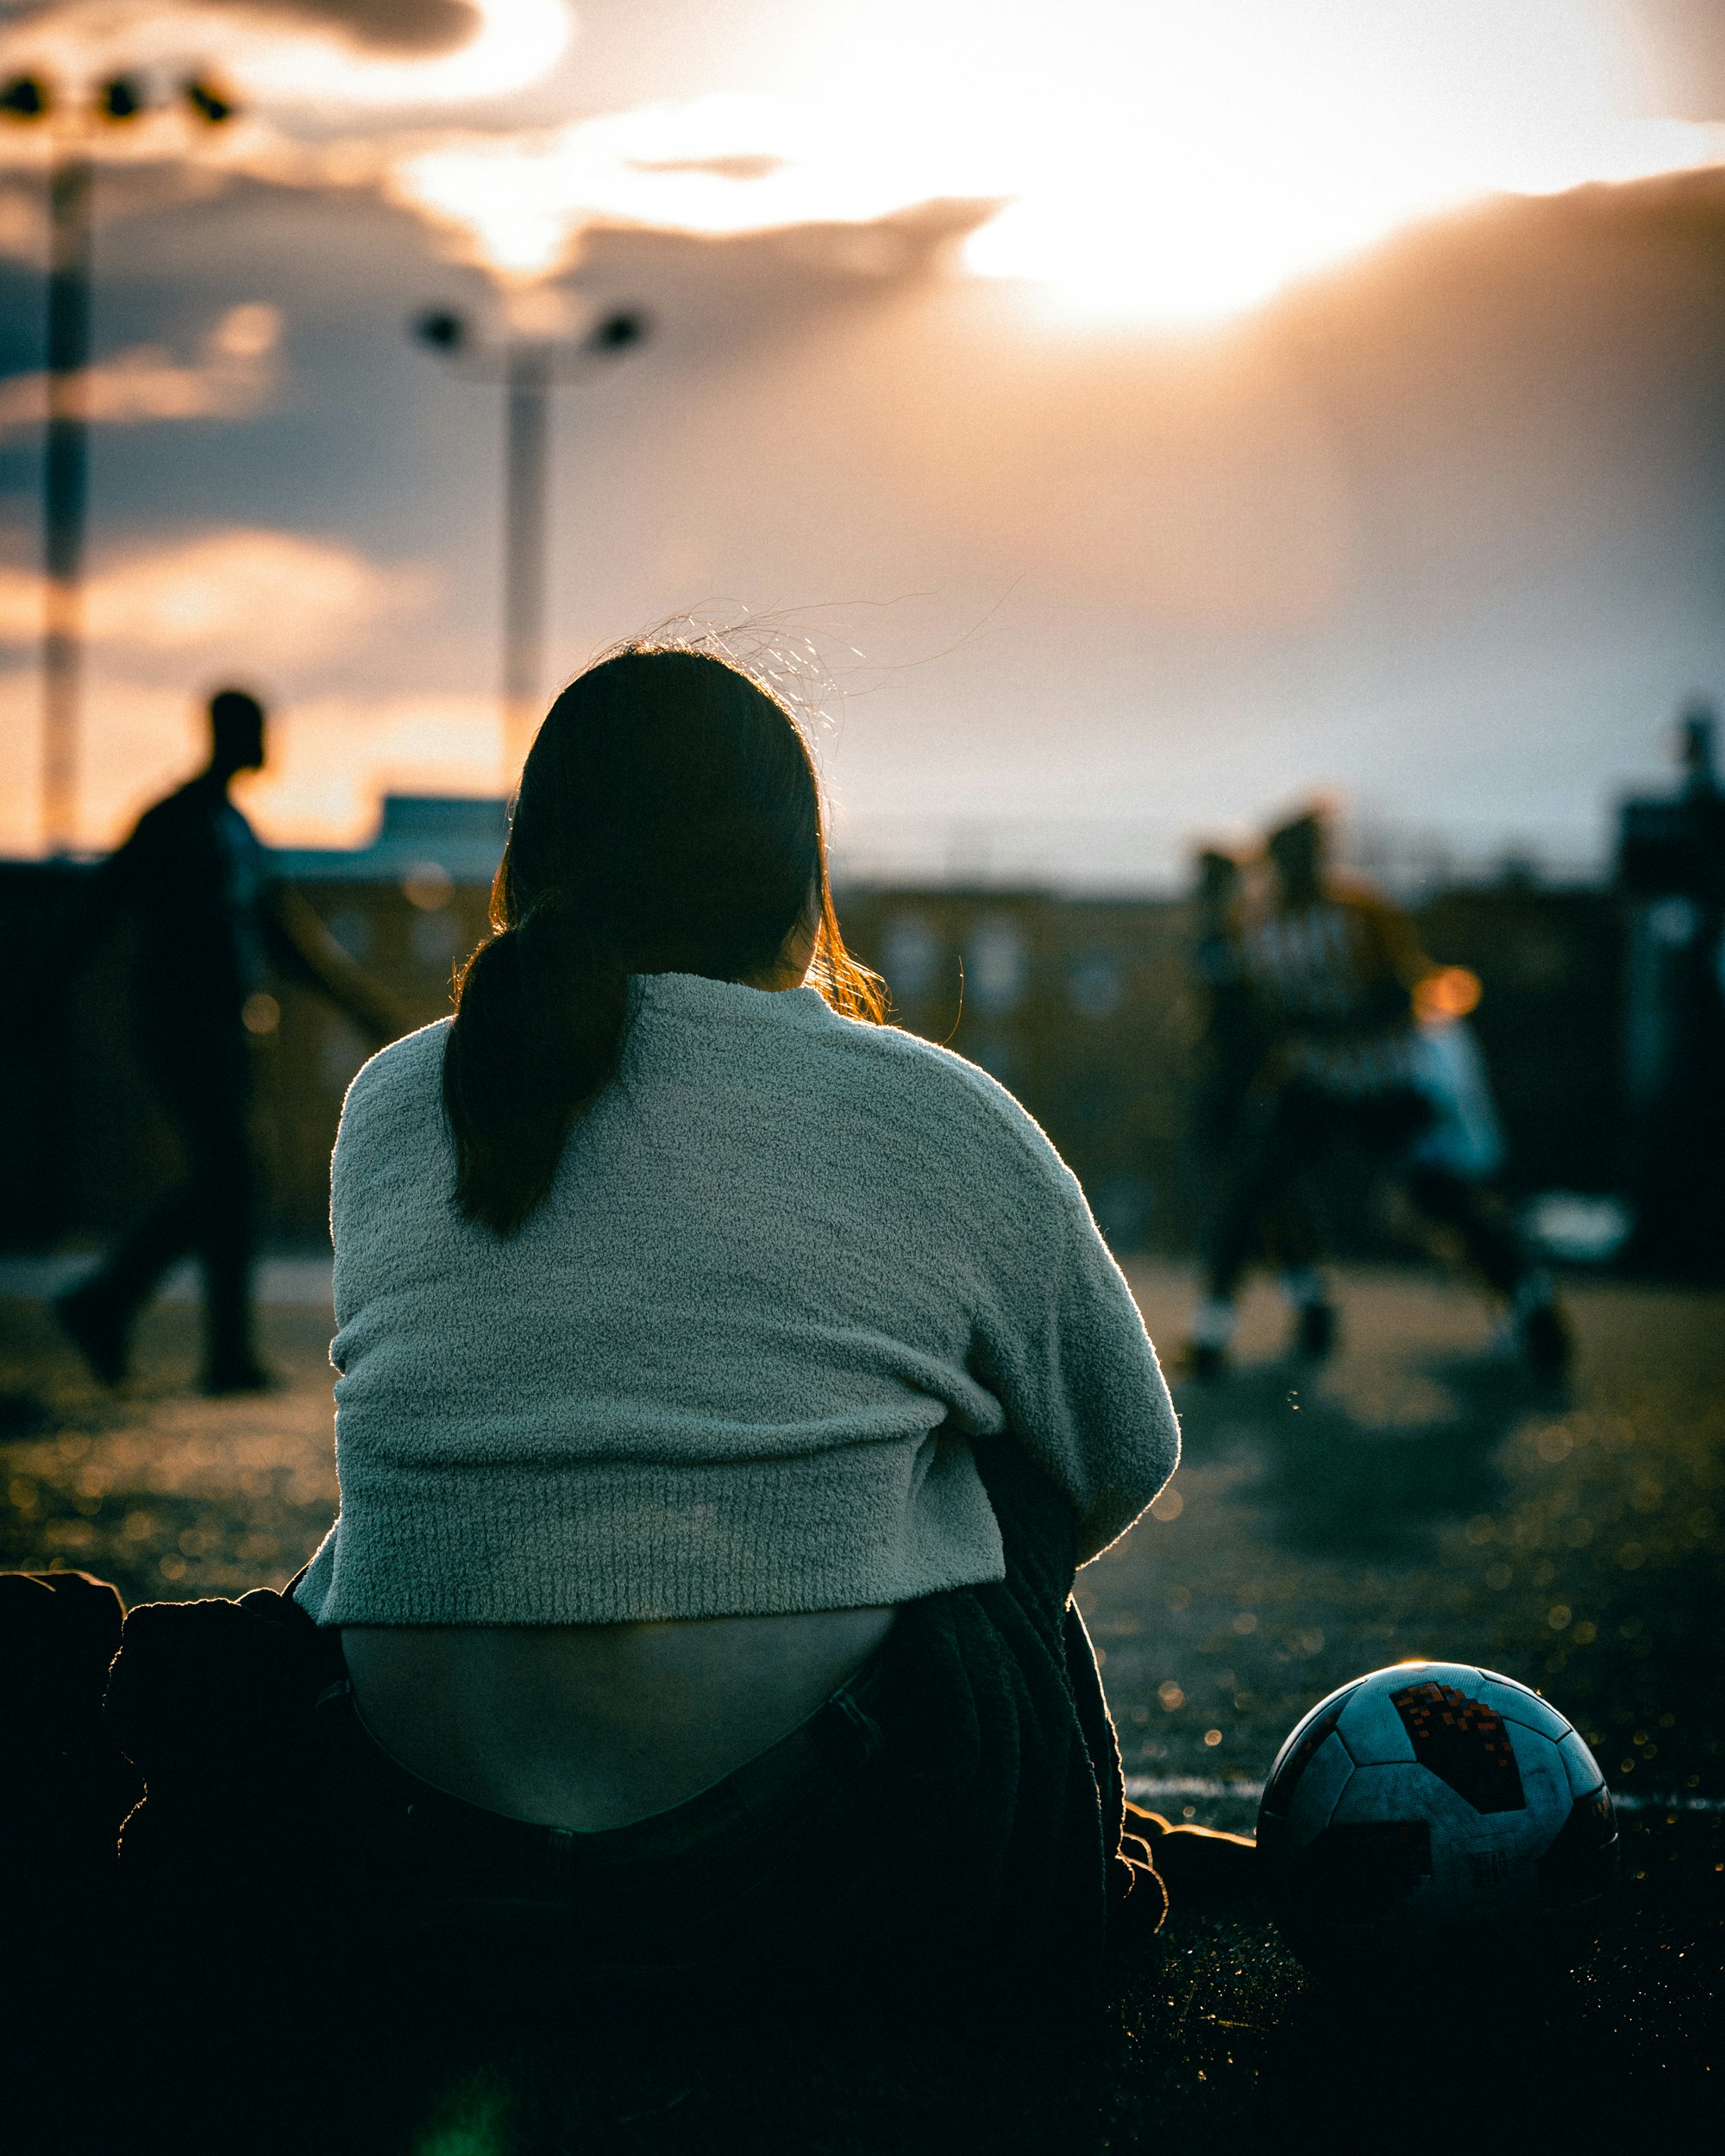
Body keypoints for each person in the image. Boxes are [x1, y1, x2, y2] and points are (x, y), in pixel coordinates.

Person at [83, 647, 1245, 2008]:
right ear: (796, 880)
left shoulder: (400, 1099)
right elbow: (1119, 1451)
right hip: (810, 1854)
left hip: (403, 1822)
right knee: (997, 1466)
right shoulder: (935, 1108)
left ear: (539, 856)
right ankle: (1055, 1850)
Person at [51, 687, 399, 1395]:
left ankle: (143, 1317)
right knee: (232, 1177)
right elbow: (103, 910)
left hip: (219, 1030)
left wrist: (362, 1007)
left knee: (229, 1181)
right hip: (186, 1029)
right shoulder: (180, 822)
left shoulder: (228, 828)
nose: (269, 745)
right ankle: (147, 1320)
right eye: (258, 731)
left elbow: (281, 935)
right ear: (230, 734)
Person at [1182, 808, 1570, 1380]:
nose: (1302, 868)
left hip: (1384, 1079)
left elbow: (1406, 991)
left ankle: (1534, 1310)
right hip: (1313, 1082)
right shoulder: (1254, 924)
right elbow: (1243, 1011)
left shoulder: (1359, 912)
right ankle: (1214, 1333)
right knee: (1254, 1186)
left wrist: (1333, 1022)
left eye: (1310, 855)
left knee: (1441, 1197)